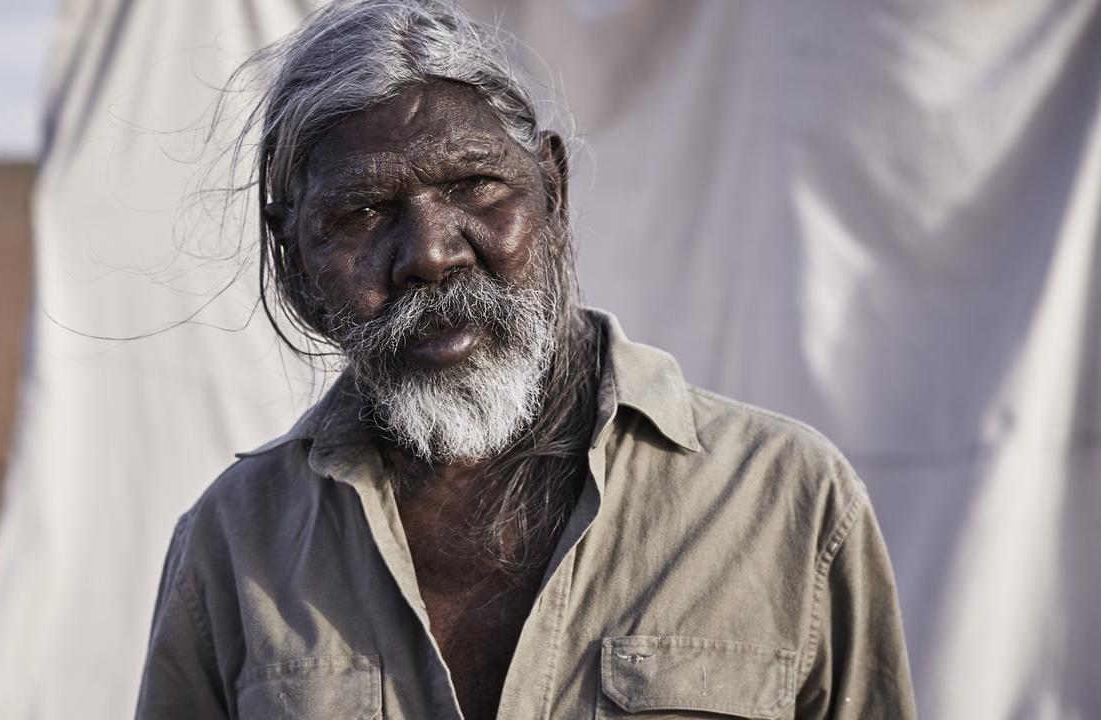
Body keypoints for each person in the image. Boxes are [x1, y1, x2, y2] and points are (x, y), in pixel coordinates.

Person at [136, 1, 917, 717]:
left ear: (553, 186)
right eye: (362, 212)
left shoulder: (784, 500)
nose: (431, 256)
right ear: (295, 253)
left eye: (476, 186)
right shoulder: (237, 542)